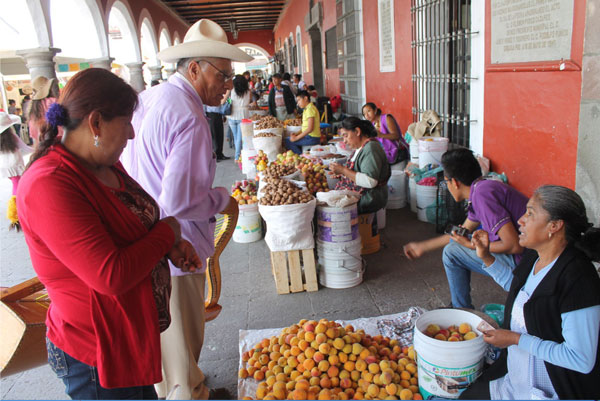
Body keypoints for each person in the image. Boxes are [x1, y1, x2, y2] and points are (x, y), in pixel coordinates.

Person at [17, 68, 201, 400]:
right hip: (95, 353)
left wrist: (168, 244)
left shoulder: (102, 162)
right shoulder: (50, 184)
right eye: (127, 121)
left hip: (129, 337)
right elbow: (110, 275)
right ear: (96, 123)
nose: (132, 133)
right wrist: (168, 231)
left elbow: (132, 221)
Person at [120, 19, 249, 400]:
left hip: (147, 232)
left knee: (166, 335)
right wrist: (222, 200)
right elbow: (178, 201)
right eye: (222, 76)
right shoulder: (190, 117)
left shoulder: (152, 97)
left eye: (229, 77)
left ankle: (188, 384)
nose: (227, 86)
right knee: (180, 333)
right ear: (194, 69)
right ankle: (188, 391)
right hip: (175, 242)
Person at [460, 185, 600, 400]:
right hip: (516, 375)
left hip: (551, 387)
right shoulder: (535, 256)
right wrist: (486, 257)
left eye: (530, 213)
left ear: (554, 225)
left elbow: (581, 359)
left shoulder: (578, 278)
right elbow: (519, 289)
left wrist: (516, 339)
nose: (520, 220)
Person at [403, 148, 528, 309]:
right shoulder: (481, 189)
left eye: (446, 182)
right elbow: (460, 233)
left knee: (452, 253)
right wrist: (423, 246)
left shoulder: (482, 195)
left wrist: (470, 245)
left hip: (525, 266)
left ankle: (461, 309)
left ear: (454, 182)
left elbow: (514, 245)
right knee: (453, 249)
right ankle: (460, 307)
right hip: (529, 260)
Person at [329, 117, 391, 214]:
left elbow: (370, 181)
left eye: (346, 135)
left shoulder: (371, 148)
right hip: (360, 193)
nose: (344, 141)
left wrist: (343, 171)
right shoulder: (360, 147)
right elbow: (357, 172)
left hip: (368, 198)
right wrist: (343, 175)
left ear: (357, 131)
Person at [0, 111, 31, 230]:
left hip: (5, 167)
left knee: (16, 184)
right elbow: (26, 148)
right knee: (18, 187)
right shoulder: (12, 137)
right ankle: (18, 215)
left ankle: (17, 215)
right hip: (15, 164)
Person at [228, 75, 256, 161]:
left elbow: (224, 101)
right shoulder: (248, 92)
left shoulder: (231, 91)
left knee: (237, 138)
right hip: (243, 116)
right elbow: (250, 102)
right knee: (239, 138)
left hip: (231, 116)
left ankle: (238, 156)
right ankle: (237, 157)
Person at [285, 90, 321, 154]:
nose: (298, 103)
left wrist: (296, 138)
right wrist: (297, 134)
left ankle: (301, 156)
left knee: (288, 141)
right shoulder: (306, 109)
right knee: (289, 139)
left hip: (312, 138)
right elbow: (305, 127)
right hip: (309, 137)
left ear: (305, 98)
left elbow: (310, 129)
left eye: (299, 100)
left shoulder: (310, 109)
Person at [28, 76, 60, 145]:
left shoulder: (33, 108)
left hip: (42, 143)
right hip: (57, 140)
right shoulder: (53, 101)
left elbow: (33, 133)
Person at [204, 90, 231, 162]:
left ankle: (220, 154)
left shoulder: (218, 92)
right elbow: (221, 102)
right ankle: (215, 155)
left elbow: (222, 103)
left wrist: (223, 115)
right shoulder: (208, 93)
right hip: (211, 114)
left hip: (218, 114)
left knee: (220, 134)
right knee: (214, 135)